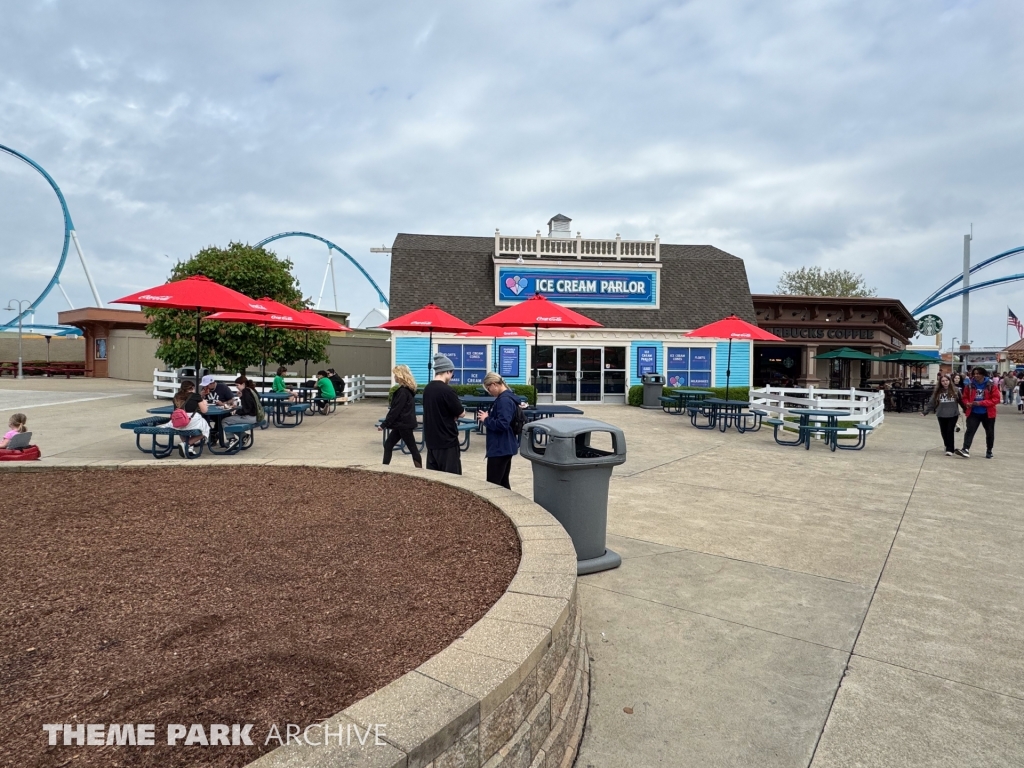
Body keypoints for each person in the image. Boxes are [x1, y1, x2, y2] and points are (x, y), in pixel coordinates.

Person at [422, 354, 466, 474]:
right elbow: (461, 413)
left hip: (431, 441)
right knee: (452, 480)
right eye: (452, 373)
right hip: (447, 441)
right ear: (447, 371)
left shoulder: (427, 389)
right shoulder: (447, 390)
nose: (451, 377)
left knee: (436, 481)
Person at [477, 372, 522, 488]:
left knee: (494, 485)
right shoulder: (508, 397)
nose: (489, 392)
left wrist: (486, 419)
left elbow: (503, 424)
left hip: (500, 447)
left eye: (488, 388)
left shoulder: (504, 400)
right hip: (506, 446)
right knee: (503, 483)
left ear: (494, 384)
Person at [378, 365, 422, 468]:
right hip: (403, 424)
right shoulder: (407, 390)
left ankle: (420, 471)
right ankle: (384, 468)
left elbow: (395, 410)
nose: (394, 377)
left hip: (403, 424)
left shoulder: (402, 392)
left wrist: (384, 424)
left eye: (395, 375)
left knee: (412, 448)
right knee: (388, 445)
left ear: (400, 376)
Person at [955, 367, 999, 459]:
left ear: (983, 374)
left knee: (990, 432)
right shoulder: (970, 385)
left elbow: (996, 399)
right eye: (974, 374)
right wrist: (967, 403)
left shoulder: (991, 385)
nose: (976, 375)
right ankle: (965, 449)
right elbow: (964, 397)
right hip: (973, 412)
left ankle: (989, 450)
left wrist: (980, 403)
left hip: (988, 413)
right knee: (970, 431)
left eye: (978, 373)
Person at [922, 374, 960, 455]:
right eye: (943, 381)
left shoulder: (956, 390)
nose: (945, 382)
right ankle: (947, 445)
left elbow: (962, 401)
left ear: (950, 381)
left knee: (950, 431)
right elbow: (932, 402)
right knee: (944, 431)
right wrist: (925, 412)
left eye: (946, 380)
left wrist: (967, 410)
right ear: (940, 382)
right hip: (941, 414)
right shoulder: (937, 392)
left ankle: (950, 449)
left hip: (953, 414)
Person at [173, 380, 209, 457]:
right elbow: (204, 411)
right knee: (205, 430)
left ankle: (188, 447)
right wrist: (204, 403)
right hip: (192, 420)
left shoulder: (176, 396)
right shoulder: (195, 396)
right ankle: (186, 444)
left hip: (179, 420)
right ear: (192, 387)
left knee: (180, 429)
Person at [222, 375, 260, 448]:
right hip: (256, 416)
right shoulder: (252, 389)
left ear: (243, 384)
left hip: (250, 417)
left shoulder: (245, 392)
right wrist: (241, 397)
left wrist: (236, 412)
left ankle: (231, 439)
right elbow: (250, 404)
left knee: (225, 421)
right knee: (231, 419)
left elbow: (247, 409)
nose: (237, 387)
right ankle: (243, 435)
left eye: (237, 385)